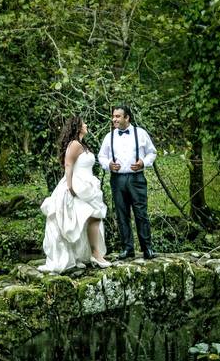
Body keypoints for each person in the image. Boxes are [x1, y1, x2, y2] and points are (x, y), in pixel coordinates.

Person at [37, 116, 111, 273]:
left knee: (88, 218)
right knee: (85, 217)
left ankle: (87, 254)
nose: (86, 125)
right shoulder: (75, 144)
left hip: (87, 184)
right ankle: (95, 254)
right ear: (77, 127)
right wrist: (70, 187)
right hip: (76, 185)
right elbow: (68, 164)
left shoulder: (82, 144)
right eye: (84, 123)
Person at [98, 104, 157, 260]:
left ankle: (147, 248)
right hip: (117, 180)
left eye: (118, 116)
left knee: (141, 214)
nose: (114, 119)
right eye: (113, 116)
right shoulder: (108, 136)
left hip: (137, 178)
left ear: (127, 117)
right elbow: (101, 157)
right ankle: (127, 248)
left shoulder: (141, 133)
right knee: (122, 214)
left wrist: (143, 162)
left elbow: (152, 152)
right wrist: (108, 165)